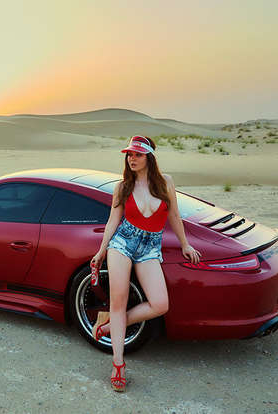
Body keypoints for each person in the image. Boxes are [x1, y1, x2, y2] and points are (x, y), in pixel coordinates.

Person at [90, 135, 202, 392]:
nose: (132, 159)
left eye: (138, 154)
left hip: (150, 247)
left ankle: (109, 325)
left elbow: (174, 215)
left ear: (149, 157)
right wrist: (101, 250)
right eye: (129, 154)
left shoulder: (166, 182)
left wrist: (185, 244)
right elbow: (113, 220)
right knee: (118, 302)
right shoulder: (123, 187)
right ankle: (118, 364)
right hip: (122, 243)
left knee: (160, 304)